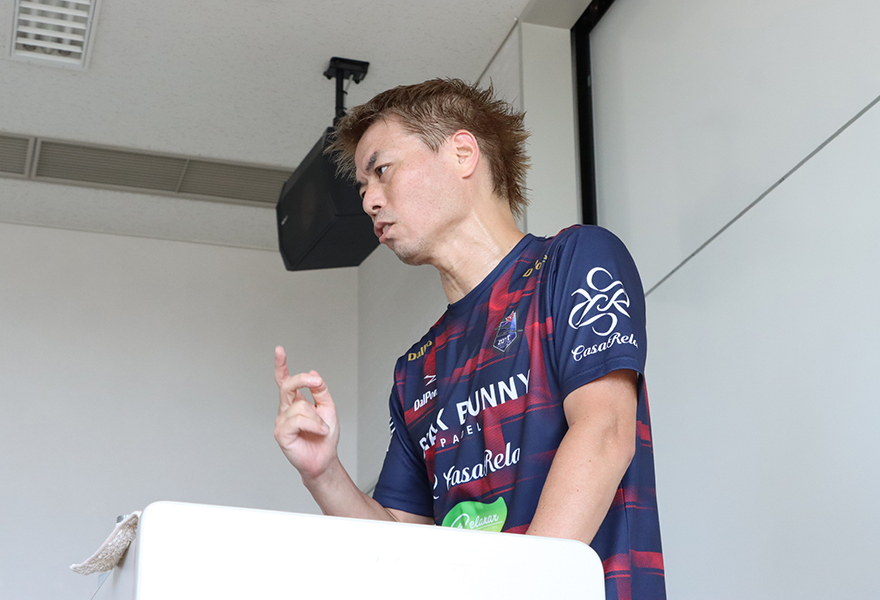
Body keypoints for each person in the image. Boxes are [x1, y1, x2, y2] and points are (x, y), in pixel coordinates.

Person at [274, 79, 665, 599]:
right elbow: (402, 543)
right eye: (362, 186)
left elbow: (605, 430)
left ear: (462, 153)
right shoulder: (416, 367)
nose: (368, 200)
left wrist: (522, 590)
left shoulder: (574, 260)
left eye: (381, 170)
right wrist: (324, 473)